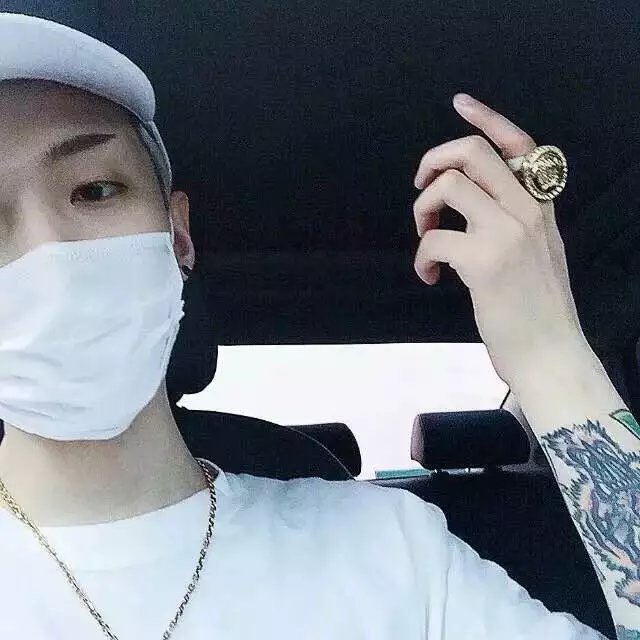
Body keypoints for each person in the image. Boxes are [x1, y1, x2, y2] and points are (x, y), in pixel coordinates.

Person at [0, 12, 636, 640]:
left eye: (95, 190)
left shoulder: (391, 551)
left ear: (177, 235)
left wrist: (551, 354)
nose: (49, 253)